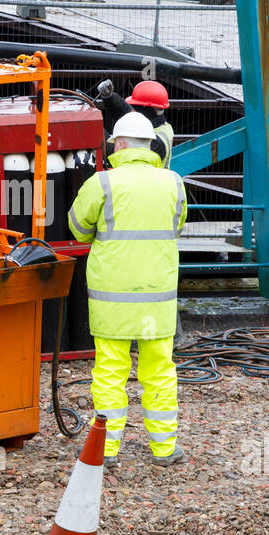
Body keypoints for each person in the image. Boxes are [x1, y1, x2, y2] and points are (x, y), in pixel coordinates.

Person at [68, 111, 187, 467]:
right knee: (160, 371)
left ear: (119, 145)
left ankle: (105, 450)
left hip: (112, 299)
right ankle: (165, 449)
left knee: (109, 372)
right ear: (149, 146)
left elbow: (77, 227)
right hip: (158, 298)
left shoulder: (102, 182)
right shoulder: (173, 182)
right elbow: (176, 226)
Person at [96, 79, 173, 167]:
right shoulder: (160, 124)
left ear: (145, 109)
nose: (132, 109)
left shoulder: (156, 143)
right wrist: (109, 97)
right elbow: (128, 113)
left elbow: (116, 152)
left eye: (135, 106)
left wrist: (95, 130)